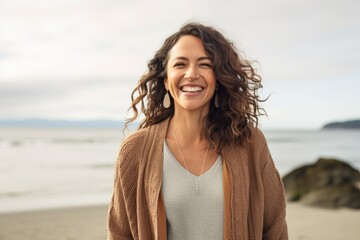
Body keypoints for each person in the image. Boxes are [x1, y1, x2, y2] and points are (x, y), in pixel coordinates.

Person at [107, 22, 288, 240]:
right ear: (166, 80)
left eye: (204, 65)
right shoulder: (135, 151)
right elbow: (120, 234)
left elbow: (275, 229)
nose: (191, 74)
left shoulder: (249, 141)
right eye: (180, 64)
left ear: (218, 79)